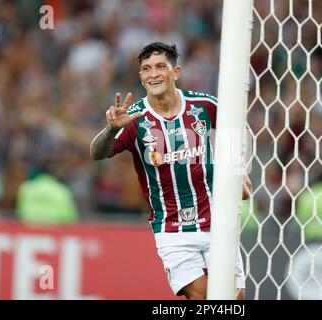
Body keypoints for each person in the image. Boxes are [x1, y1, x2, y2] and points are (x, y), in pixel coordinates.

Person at [90, 42, 250, 300]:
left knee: (235, 299)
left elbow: (234, 127)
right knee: (202, 296)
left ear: (175, 72)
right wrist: (110, 129)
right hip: (171, 228)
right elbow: (97, 153)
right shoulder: (133, 118)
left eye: (160, 66)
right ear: (141, 77)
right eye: (146, 69)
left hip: (217, 222)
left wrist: (237, 171)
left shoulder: (203, 105)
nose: (153, 73)